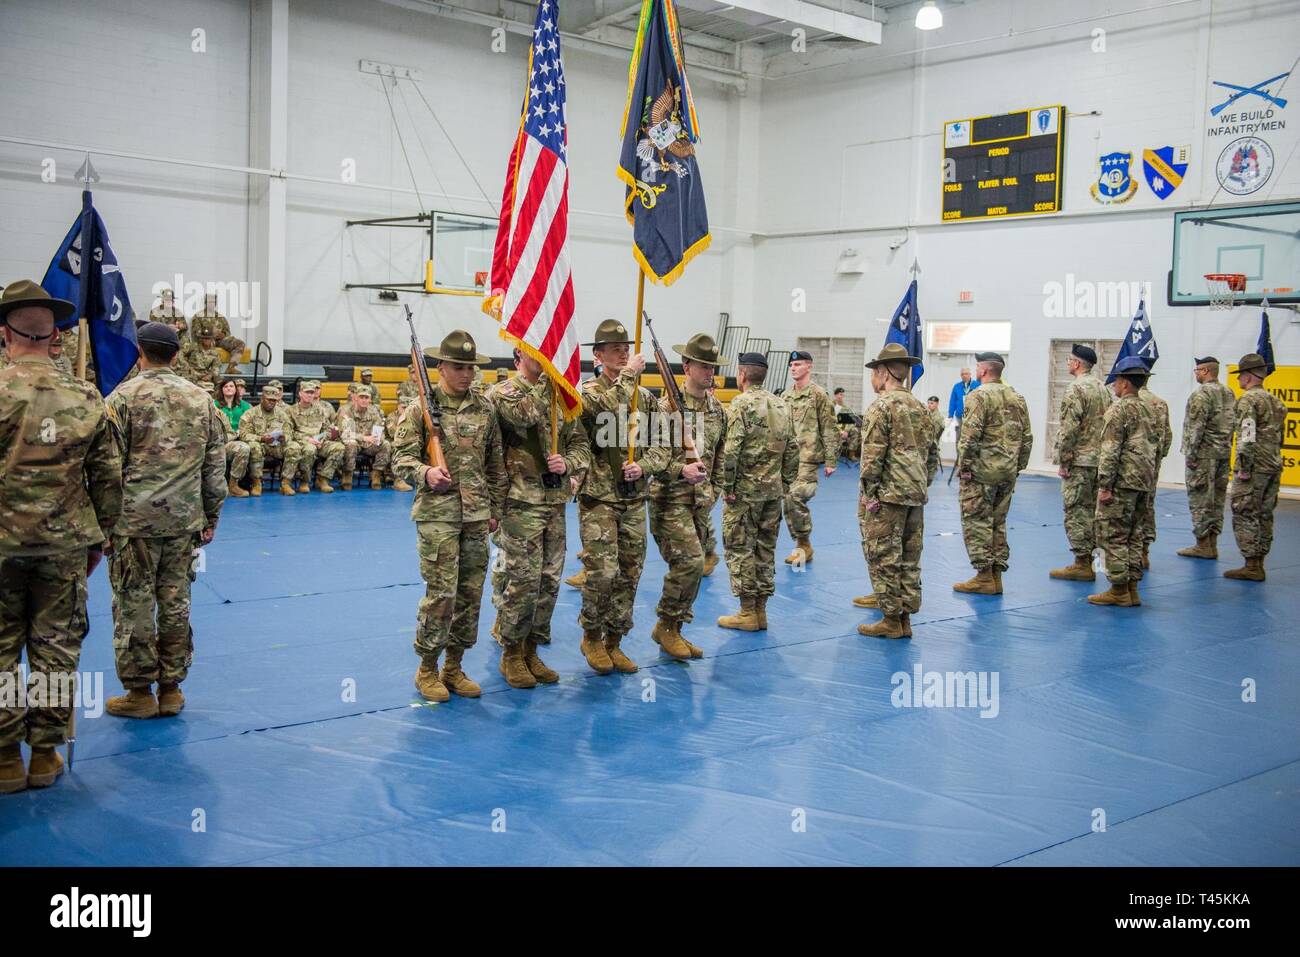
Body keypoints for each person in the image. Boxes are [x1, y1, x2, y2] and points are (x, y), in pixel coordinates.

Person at [0, 280, 123, 793]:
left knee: (2, 649)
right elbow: (110, 477)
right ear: (54, 336)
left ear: (5, 335)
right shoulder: (86, 395)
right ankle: (45, 754)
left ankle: (5, 757)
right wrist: (102, 539)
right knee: (55, 651)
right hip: (66, 545)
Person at [103, 322, 227, 720]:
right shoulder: (201, 399)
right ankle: (171, 688)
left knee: (134, 604)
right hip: (183, 519)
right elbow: (214, 466)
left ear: (140, 353)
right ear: (176, 356)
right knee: (176, 603)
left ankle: (140, 692)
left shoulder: (121, 398)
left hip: (132, 523)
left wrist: (104, 523)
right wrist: (211, 515)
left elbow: (107, 468)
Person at [392, 330, 505, 702]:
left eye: (471, 369)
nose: (466, 375)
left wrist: (495, 510)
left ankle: (454, 667)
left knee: (471, 595)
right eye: (458, 367)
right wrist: (425, 472)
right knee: (442, 594)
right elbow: (400, 458)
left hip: (476, 516)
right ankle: (427, 668)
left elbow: (495, 464)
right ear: (441, 367)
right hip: (437, 516)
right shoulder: (419, 409)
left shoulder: (485, 408)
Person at [574, 319, 673, 675]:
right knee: (602, 571)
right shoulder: (586, 393)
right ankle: (592, 635)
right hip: (599, 498)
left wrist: (644, 466)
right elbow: (603, 410)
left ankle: (615, 640)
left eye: (626, 348)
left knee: (630, 573)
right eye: (614, 349)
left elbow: (663, 445)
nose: (622, 354)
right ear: (598, 355)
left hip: (634, 498)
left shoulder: (644, 400)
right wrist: (628, 376)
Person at [488, 350, 591, 688]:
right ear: (520, 353)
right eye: (540, 352)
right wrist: (551, 383)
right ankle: (512, 652)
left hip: (554, 501)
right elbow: (524, 414)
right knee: (524, 582)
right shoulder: (503, 394)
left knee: (549, 581)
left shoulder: (560, 397)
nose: (548, 358)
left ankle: (532, 648)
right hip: (519, 503)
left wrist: (570, 463)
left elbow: (580, 444)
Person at [648, 333, 725, 659]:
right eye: (703, 366)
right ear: (687, 366)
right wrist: (681, 470)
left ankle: (675, 628)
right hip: (669, 500)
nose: (709, 372)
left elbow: (720, 458)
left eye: (713, 366)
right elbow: (651, 457)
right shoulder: (665, 407)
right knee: (690, 562)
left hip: (700, 503)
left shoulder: (718, 409)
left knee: (696, 566)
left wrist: (713, 491)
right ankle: (665, 625)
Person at [856, 344, 938, 639]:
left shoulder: (881, 406)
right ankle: (904, 618)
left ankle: (891, 619)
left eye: (875, 371)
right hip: (915, 494)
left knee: (883, 556)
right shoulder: (920, 407)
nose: (873, 377)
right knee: (909, 557)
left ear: (883, 372)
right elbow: (932, 455)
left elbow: (872, 458)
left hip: (888, 496)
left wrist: (869, 493)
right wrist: (919, 484)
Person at [716, 352, 799, 632]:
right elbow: (793, 448)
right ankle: (761, 611)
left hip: (744, 493)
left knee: (739, 548)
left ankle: (747, 612)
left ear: (741, 375)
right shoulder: (782, 404)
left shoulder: (740, 404)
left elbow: (731, 450)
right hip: (772, 492)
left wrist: (727, 487)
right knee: (765, 549)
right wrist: (785, 483)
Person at [953, 352, 1032, 596]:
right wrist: (1017, 466)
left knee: (977, 521)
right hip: (1007, 472)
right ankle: (996, 576)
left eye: (978, 366)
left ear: (983, 370)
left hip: (982, 473)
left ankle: (983, 576)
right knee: (998, 522)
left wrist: (964, 467)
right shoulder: (1016, 397)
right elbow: (1027, 437)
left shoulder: (978, 396)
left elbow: (969, 437)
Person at [1088, 357, 1158, 606]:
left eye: (1116, 380)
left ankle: (1118, 590)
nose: (1114, 385)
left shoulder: (1118, 410)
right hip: (1144, 481)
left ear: (1125, 383)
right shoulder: (1150, 408)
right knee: (1135, 535)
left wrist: (1105, 485)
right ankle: (1132, 587)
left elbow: (1110, 450)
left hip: (1122, 482)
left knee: (1113, 535)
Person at [1223, 353, 1287, 582]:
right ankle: (1259, 561)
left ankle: (1251, 564)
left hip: (1254, 467)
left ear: (1248, 377)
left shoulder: (1249, 400)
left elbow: (1247, 435)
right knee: (1264, 513)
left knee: (1245, 511)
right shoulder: (1275, 401)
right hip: (1272, 464)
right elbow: (1279, 437)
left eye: (1241, 376)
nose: (1239, 380)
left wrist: (1243, 466)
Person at [1050, 344, 1111, 580]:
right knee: (1094, 512)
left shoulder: (1076, 389)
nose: (1067, 364)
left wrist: (1063, 461)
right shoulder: (1103, 388)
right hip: (1099, 460)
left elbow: (1068, 429)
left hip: (1079, 461)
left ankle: (1082, 563)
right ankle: (1097, 560)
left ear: (1076, 364)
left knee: (1076, 511)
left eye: (1069, 360)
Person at [781, 350, 839, 564]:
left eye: (798, 364)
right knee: (787, 500)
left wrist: (832, 460)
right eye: (792, 365)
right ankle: (802, 541)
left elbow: (830, 428)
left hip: (808, 458)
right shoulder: (785, 396)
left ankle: (803, 544)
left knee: (796, 497)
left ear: (809, 366)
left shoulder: (818, 395)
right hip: (787, 460)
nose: (793, 368)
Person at [1177, 357, 1236, 559]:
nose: (1195, 373)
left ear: (1204, 371)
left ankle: (1202, 544)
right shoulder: (1228, 392)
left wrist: (1191, 454)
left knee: (1200, 499)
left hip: (1203, 455)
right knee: (1217, 500)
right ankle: (1212, 542)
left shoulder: (1201, 394)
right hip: (1223, 453)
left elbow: (1196, 427)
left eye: (1197, 370)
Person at [235, 383, 302, 496]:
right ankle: (257, 483)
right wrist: (260, 438)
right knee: (254, 447)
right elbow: (243, 434)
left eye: (274, 400)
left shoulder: (282, 414)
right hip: (260, 445)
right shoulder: (250, 413)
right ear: (262, 398)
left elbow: (289, 432)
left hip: (277, 446)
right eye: (269, 400)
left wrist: (284, 437)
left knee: (294, 447)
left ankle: (285, 483)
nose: (272, 403)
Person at [288, 380, 350, 493]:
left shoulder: (320, 410)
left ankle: (323, 479)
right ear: (300, 393)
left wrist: (322, 438)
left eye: (312, 393)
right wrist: (308, 439)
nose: (310, 395)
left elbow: (327, 429)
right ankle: (305, 481)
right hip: (301, 442)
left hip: (319, 441)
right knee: (309, 449)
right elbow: (289, 432)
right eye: (307, 392)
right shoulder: (290, 411)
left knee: (339, 447)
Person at [1137, 382, 1172, 568]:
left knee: (1127, 508)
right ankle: (1144, 552)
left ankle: (1128, 554)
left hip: (1131, 465)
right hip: (1151, 463)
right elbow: (1167, 437)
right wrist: (1157, 458)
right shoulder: (1160, 403)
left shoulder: (1127, 403)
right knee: (1148, 504)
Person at [338, 390, 393, 490]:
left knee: (385, 444)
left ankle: (376, 474)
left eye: (366, 398)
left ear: (370, 400)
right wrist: (363, 438)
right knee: (351, 443)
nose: (364, 400)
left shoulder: (374, 413)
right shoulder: (347, 412)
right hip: (355, 442)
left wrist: (377, 438)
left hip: (369, 444)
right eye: (361, 397)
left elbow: (379, 431)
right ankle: (347, 474)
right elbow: (346, 433)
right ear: (356, 398)